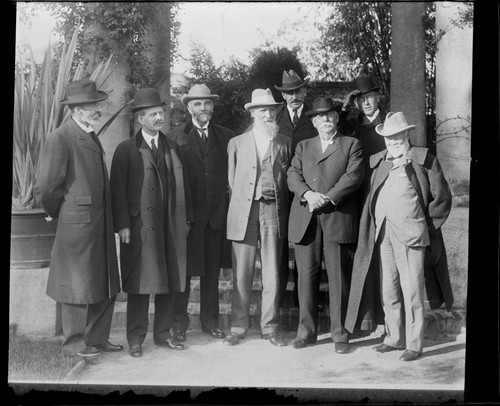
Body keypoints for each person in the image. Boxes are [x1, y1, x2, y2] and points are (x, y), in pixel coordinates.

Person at [345, 112, 453, 361]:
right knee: (389, 288)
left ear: (407, 135)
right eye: (388, 137)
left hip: (411, 234)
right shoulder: (380, 162)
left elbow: (442, 199)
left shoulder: (423, 160)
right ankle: (394, 337)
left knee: (412, 290)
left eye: (397, 136)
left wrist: (427, 227)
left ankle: (414, 344)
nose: (392, 141)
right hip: (383, 233)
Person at [34, 79, 123, 358]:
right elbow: (47, 186)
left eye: (97, 105)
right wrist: (56, 211)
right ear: (75, 110)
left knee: (102, 279)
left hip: (99, 223)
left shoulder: (89, 134)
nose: (97, 110)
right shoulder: (60, 137)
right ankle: (73, 345)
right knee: (75, 282)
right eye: (91, 106)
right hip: (77, 224)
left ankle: (97, 339)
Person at [110, 88, 193, 358]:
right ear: (140, 119)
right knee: (140, 284)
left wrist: (187, 219)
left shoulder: (173, 147)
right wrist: (122, 224)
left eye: (161, 113)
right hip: (140, 227)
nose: (160, 117)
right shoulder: (126, 150)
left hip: (170, 225)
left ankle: (163, 335)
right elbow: (117, 191)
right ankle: (135, 339)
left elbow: (186, 188)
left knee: (169, 280)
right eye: (153, 114)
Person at [287, 97, 365, 354]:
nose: (325, 120)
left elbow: (353, 176)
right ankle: (305, 332)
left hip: (337, 217)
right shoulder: (303, 146)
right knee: (305, 279)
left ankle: (340, 334)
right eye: (320, 117)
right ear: (313, 121)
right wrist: (309, 195)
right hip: (306, 218)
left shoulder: (351, 144)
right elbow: (292, 175)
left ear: (337, 118)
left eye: (330, 115)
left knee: (339, 279)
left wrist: (328, 197)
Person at [223, 88, 292, 347]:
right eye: (263, 110)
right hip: (245, 211)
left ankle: (270, 327)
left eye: (272, 110)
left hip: (273, 211)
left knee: (272, 272)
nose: (268, 114)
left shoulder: (283, 142)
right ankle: (238, 327)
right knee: (242, 273)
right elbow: (232, 182)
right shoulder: (236, 144)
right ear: (252, 113)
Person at [167, 84, 234, 341]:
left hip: (216, 217)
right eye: (197, 104)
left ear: (213, 106)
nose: (203, 108)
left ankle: (210, 322)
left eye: (207, 103)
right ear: (188, 108)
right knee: (184, 273)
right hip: (187, 219)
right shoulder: (174, 137)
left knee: (211, 274)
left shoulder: (226, 137)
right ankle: (179, 324)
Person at [274, 70, 318, 308]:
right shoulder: (274, 116)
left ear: (305, 91)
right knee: (279, 244)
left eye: (298, 91)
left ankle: (304, 301)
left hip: (307, 188)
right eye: (289, 93)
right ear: (283, 96)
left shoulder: (314, 116)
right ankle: (278, 299)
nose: (294, 97)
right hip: (280, 189)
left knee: (305, 244)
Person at [339, 75, 387, 160]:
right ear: (356, 103)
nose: (366, 103)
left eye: (369, 97)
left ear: (377, 98)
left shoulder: (389, 120)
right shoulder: (353, 124)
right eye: (361, 99)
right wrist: (345, 108)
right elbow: (338, 129)